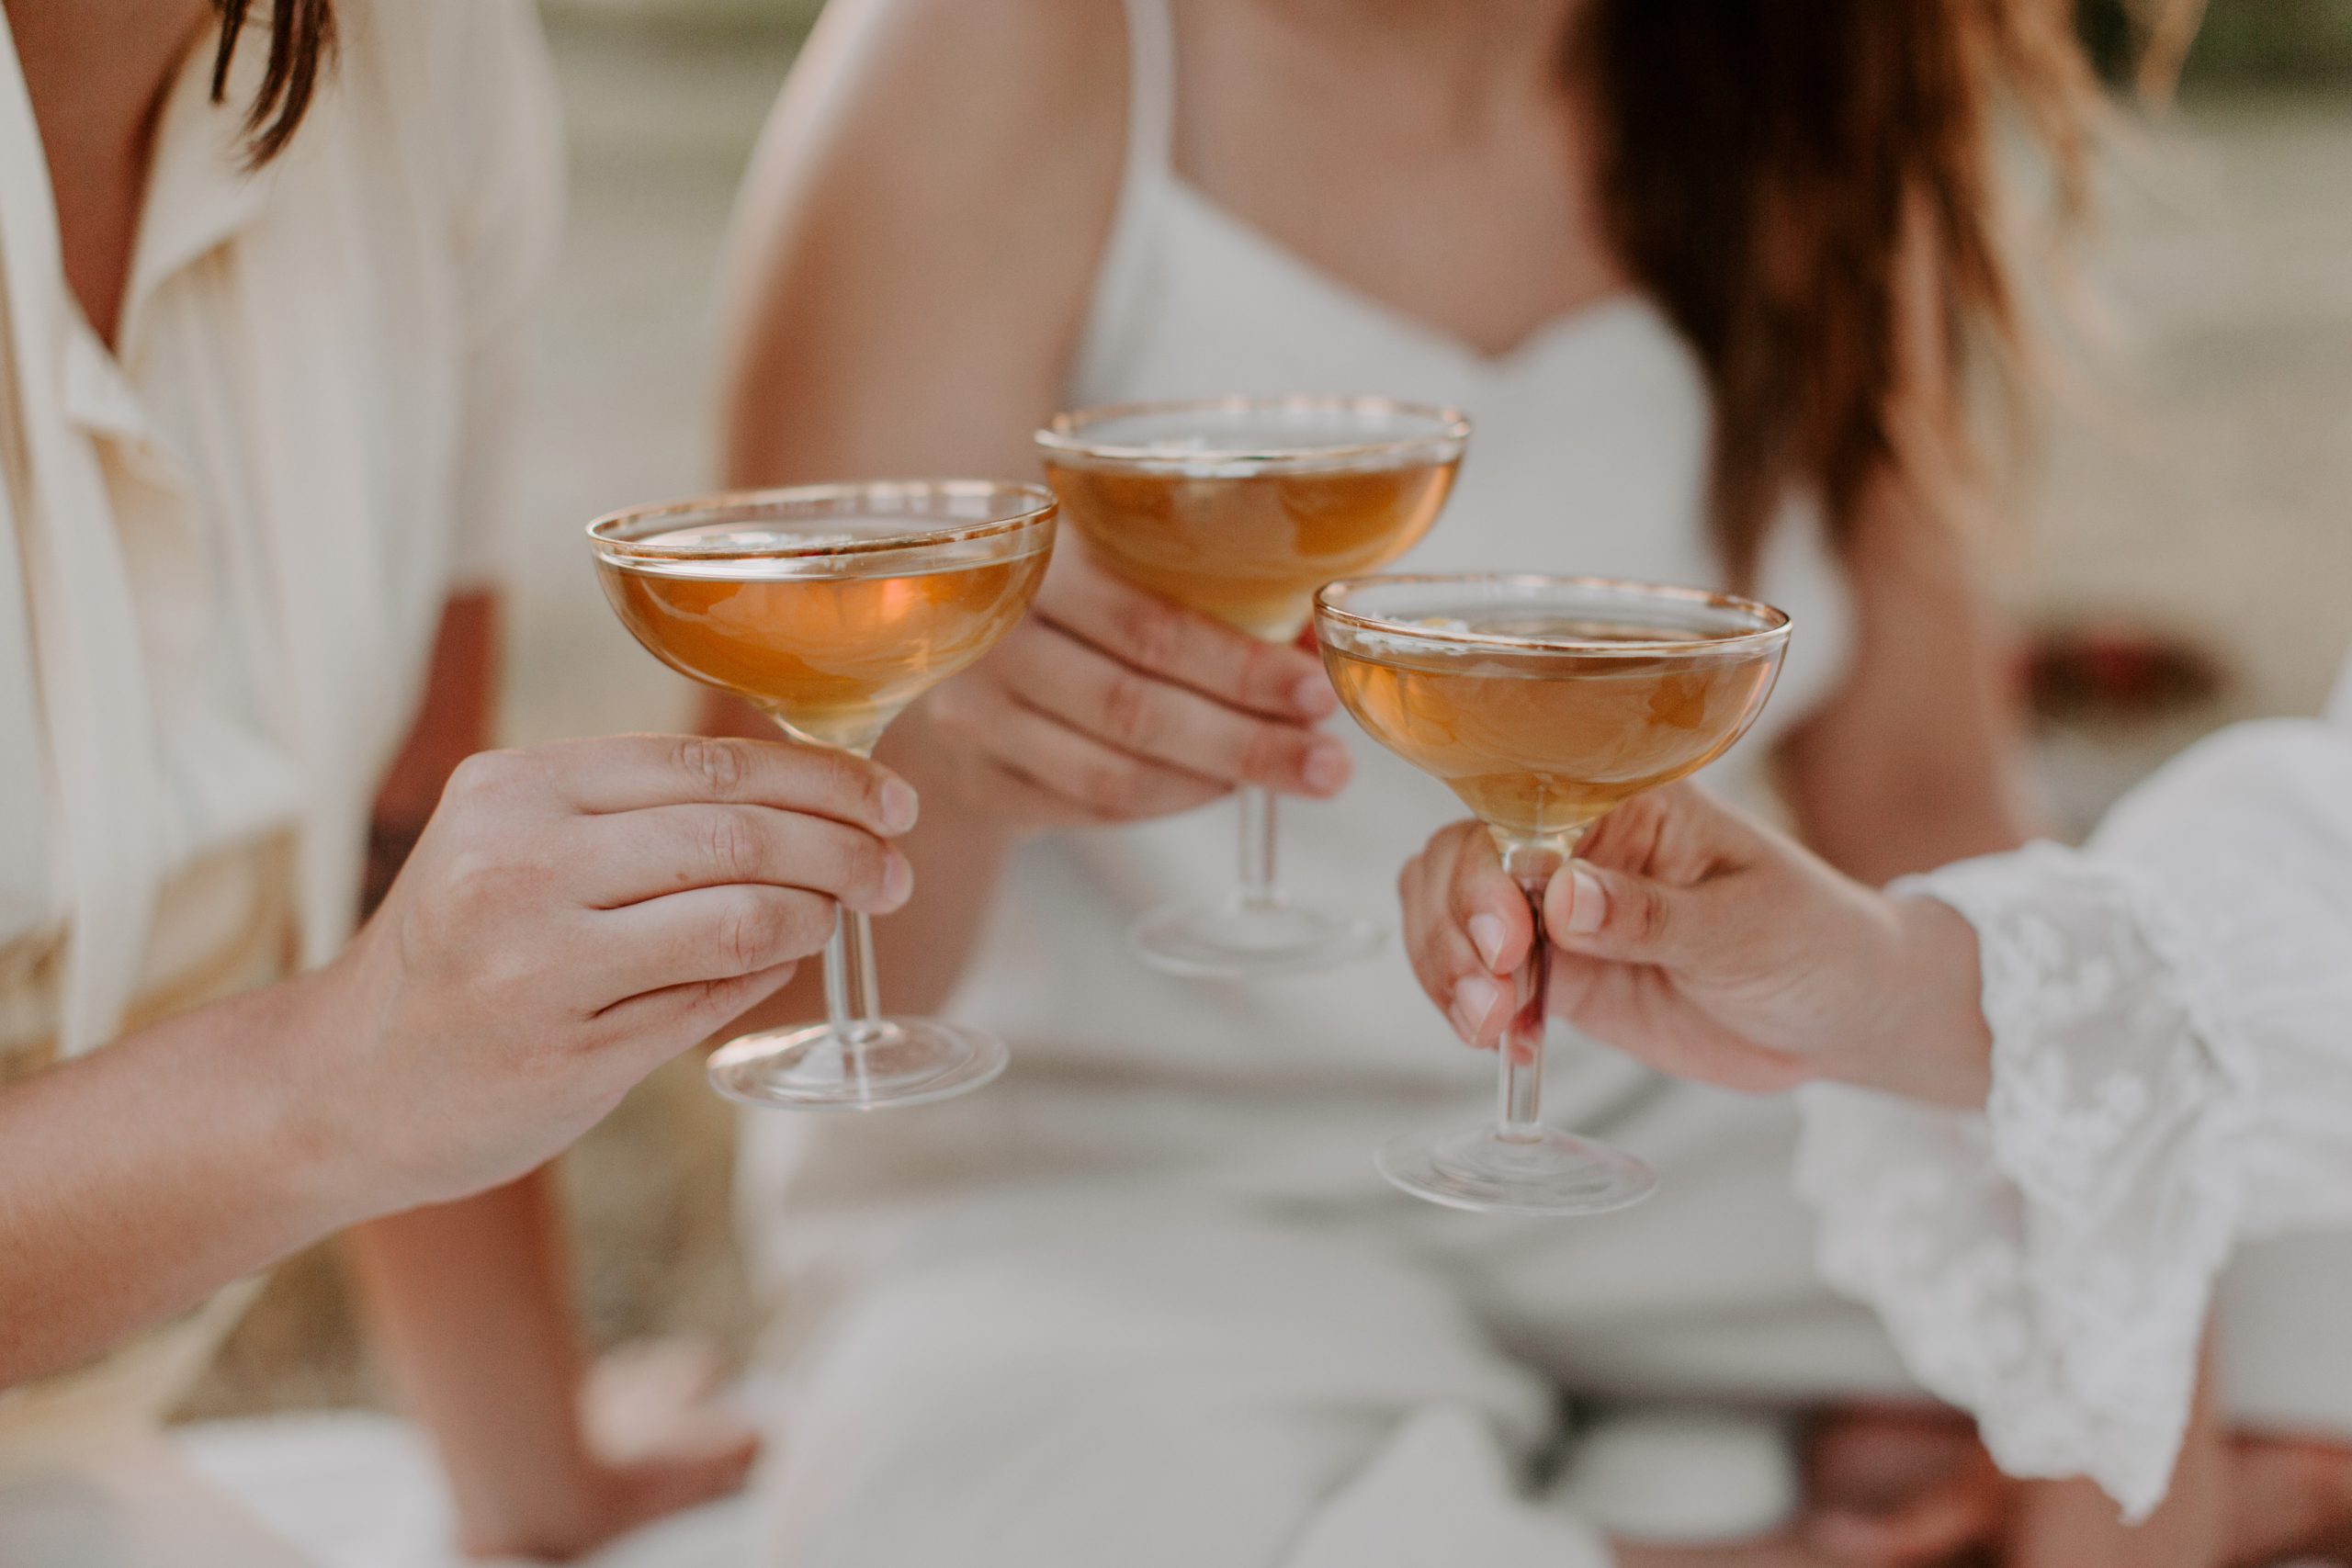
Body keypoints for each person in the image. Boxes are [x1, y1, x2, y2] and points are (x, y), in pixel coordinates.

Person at [710, 0, 2106, 1562]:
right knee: (1019, 1510)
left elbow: (1925, 805)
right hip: (1116, 1193)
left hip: (1673, 1153)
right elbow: (782, 975)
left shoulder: (1809, 67)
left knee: (2259, 1232)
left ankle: (1588, 1480)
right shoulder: (1005, 46)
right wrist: (956, 738)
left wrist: (2079, 1274)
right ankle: (1677, 1501)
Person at [0, 3, 922, 1562]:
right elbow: (383, 1034)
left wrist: (536, 1481)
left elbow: (411, 853)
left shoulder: (425, 59)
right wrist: (327, 1082)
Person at [1396, 652, 2352, 1564]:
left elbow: (1929, 816)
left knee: (2266, 1282)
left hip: (1717, 1084)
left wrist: (1997, 1071)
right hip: (1331, 1193)